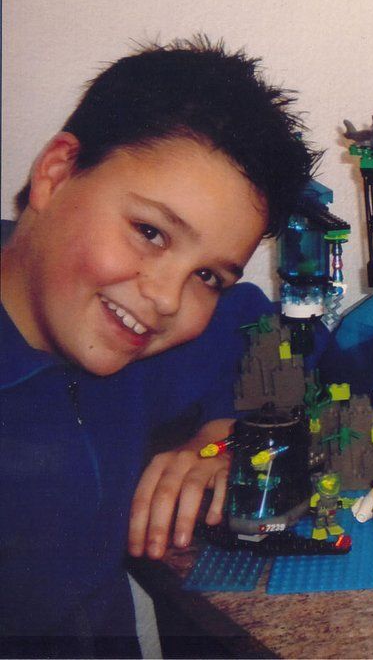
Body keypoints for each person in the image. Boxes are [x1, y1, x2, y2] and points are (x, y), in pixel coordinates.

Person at [0, 38, 321, 655]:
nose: (168, 299)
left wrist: (225, 437)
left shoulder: (122, 328)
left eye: (209, 276)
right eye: (150, 231)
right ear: (56, 173)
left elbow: (291, 343)